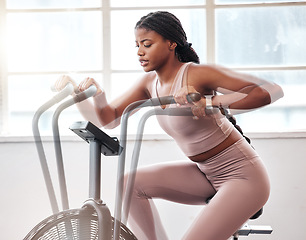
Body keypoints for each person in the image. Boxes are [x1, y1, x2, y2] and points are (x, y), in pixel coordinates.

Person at [55, 11, 283, 240]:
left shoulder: (196, 74)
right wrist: (80, 94)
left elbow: (269, 91)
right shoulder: (149, 83)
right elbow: (109, 118)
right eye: (137, 45)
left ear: (171, 43)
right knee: (128, 184)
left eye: (147, 44)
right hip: (205, 173)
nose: (140, 52)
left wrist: (210, 102)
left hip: (243, 177)